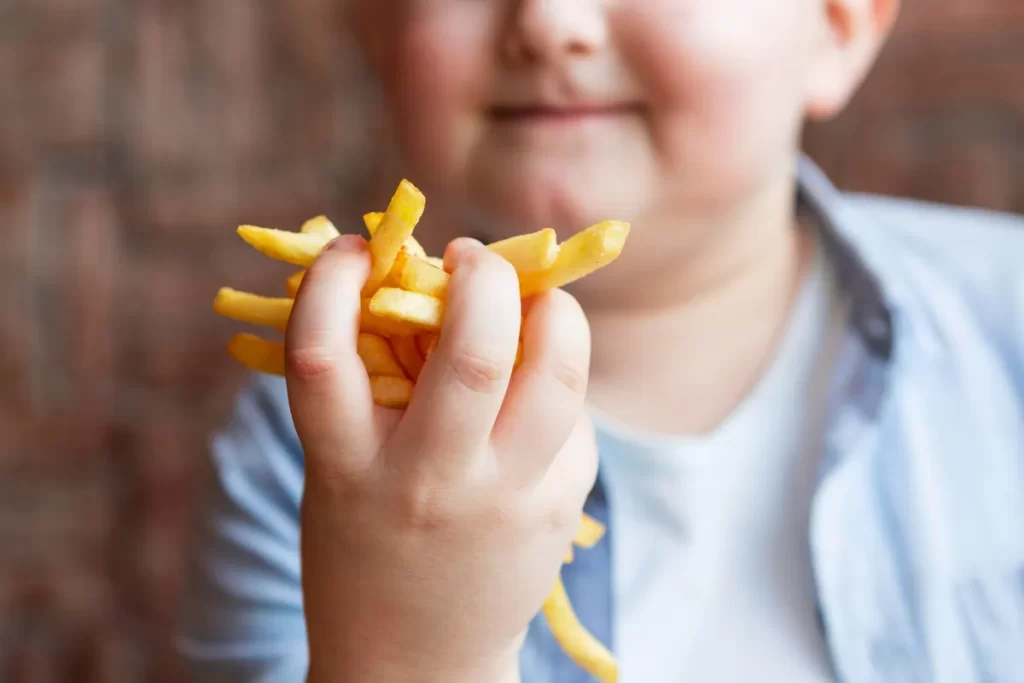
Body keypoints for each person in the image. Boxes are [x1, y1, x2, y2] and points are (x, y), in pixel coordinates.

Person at [177, 0, 1024, 681]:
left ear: (838, 25)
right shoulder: (298, 456)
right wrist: (410, 654)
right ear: (375, 22)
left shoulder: (1005, 319)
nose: (550, 19)